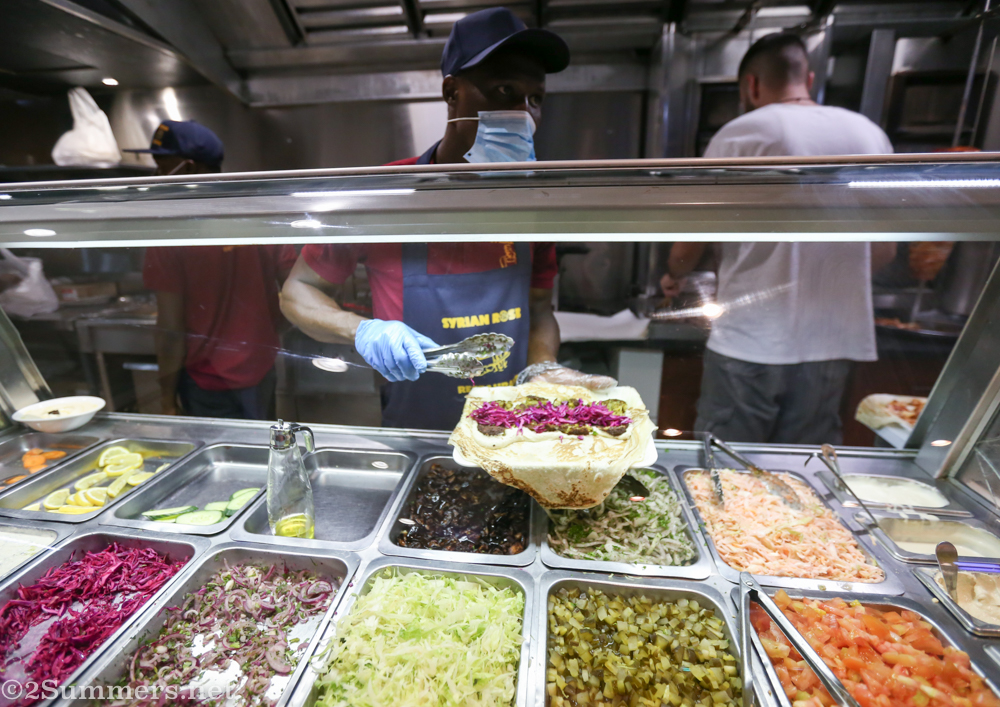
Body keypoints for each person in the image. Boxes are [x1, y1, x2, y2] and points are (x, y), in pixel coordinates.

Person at [280, 7, 614, 430]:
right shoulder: (387, 194)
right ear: (452, 92)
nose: (523, 113)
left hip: (510, 431)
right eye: (504, 90)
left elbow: (539, 309)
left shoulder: (534, 202)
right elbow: (298, 292)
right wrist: (363, 331)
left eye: (535, 99)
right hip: (416, 434)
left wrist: (542, 366)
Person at [664, 33, 896, 444]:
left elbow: (689, 243)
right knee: (804, 467)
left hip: (751, 337)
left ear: (750, 85)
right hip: (833, 342)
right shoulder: (870, 135)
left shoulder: (742, 134)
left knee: (727, 464)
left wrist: (675, 274)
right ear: (808, 78)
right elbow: (884, 251)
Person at [129, 121, 297, 419]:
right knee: (263, 446)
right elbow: (297, 290)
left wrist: (166, 400)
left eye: (163, 167)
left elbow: (170, 329)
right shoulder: (258, 216)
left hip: (205, 381)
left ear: (189, 168)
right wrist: (266, 334)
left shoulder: (171, 232)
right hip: (260, 371)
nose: (158, 177)